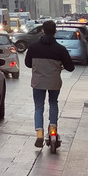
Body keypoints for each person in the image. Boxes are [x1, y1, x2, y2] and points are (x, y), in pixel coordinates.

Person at [25, 20, 75, 148]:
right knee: (53, 103)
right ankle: (53, 129)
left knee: (38, 107)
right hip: (54, 82)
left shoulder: (33, 47)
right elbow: (70, 67)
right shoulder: (60, 49)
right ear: (55, 31)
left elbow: (27, 64)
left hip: (38, 82)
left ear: (42, 30)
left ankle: (39, 134)